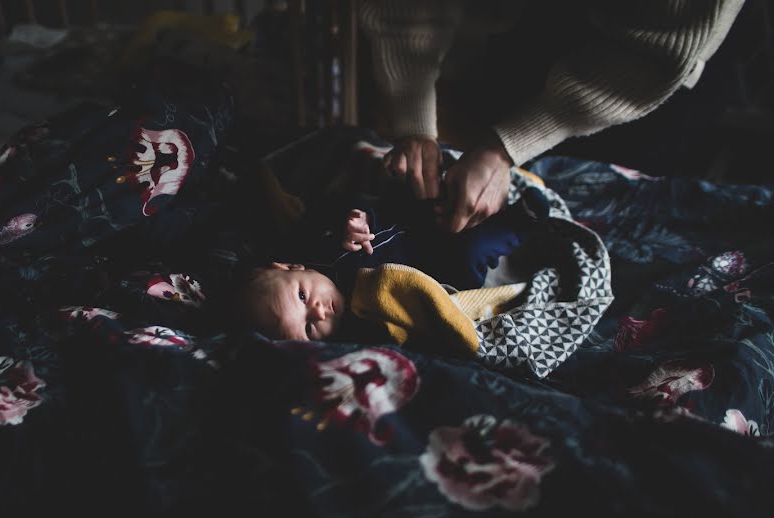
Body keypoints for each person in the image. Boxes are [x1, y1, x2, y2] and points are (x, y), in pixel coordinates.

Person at [358, 0, 745, 232]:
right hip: (539, 27)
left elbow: (656, 55)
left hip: (653, 70)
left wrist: (507, 146)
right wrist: (414, 121)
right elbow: (408, 10)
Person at [234, 165, 550, 342]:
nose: (318, 312)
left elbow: (337, 209)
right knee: (474, 251)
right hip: (442, 269)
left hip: (412, 222)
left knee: (411, 191)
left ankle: (485, 181)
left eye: (302, 297)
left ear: (292, 266)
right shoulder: (358, 326)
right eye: (308, 329)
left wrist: (357, 218)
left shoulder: (317, 243)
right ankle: (522, 221)